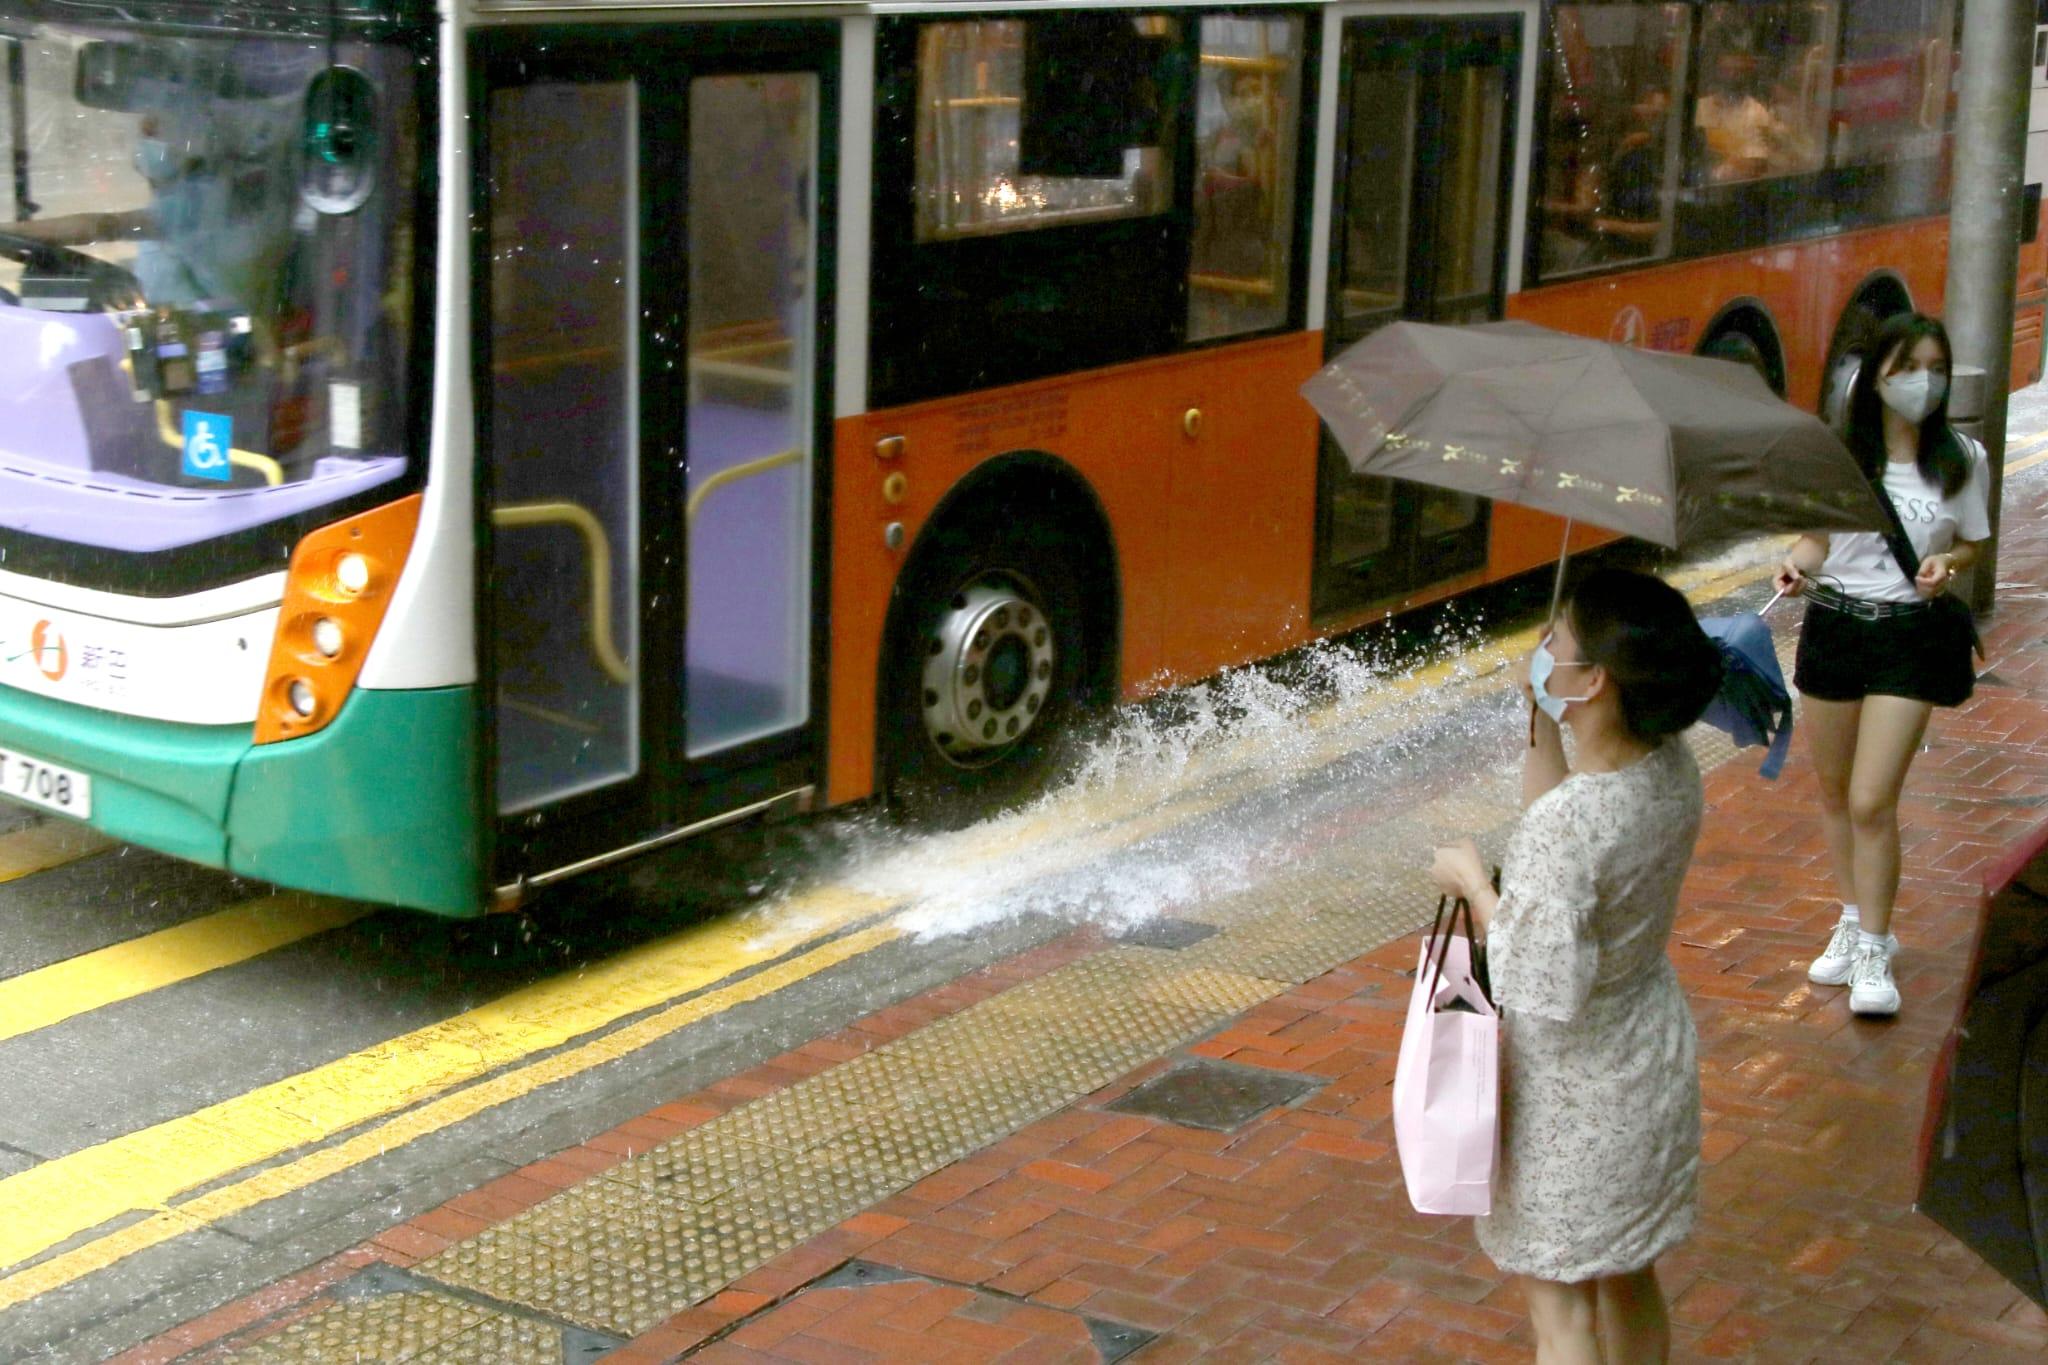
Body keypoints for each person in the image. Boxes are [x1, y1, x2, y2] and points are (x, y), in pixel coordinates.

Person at [1430, 568, 1722, 1365]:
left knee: (1559, 1314)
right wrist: (1541, 713)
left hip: (1569, 1093)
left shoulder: (1571, 825)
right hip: (1647, 1063)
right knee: (1630, 1277)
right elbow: (1556, 825)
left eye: (1556, 637)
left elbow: (1534, 973)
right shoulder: (1669, 770)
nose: (1542, 645)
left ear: (1593, 678)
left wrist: (1474, 883)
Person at [1773, 312, 1991, 1016]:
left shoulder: (1962, 458)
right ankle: (1849, 913)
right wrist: (1794, 566)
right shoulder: (1838, 455)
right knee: (1835, 796)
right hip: (1834, 626)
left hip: (1908, 637)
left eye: (1934, 367)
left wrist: (1946, 564)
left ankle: (1875, 941)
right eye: (1906, 368)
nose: (1921, 382)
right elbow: (1814, 542)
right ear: (1877, 378)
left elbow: (1971, 547)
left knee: (1872, 798)